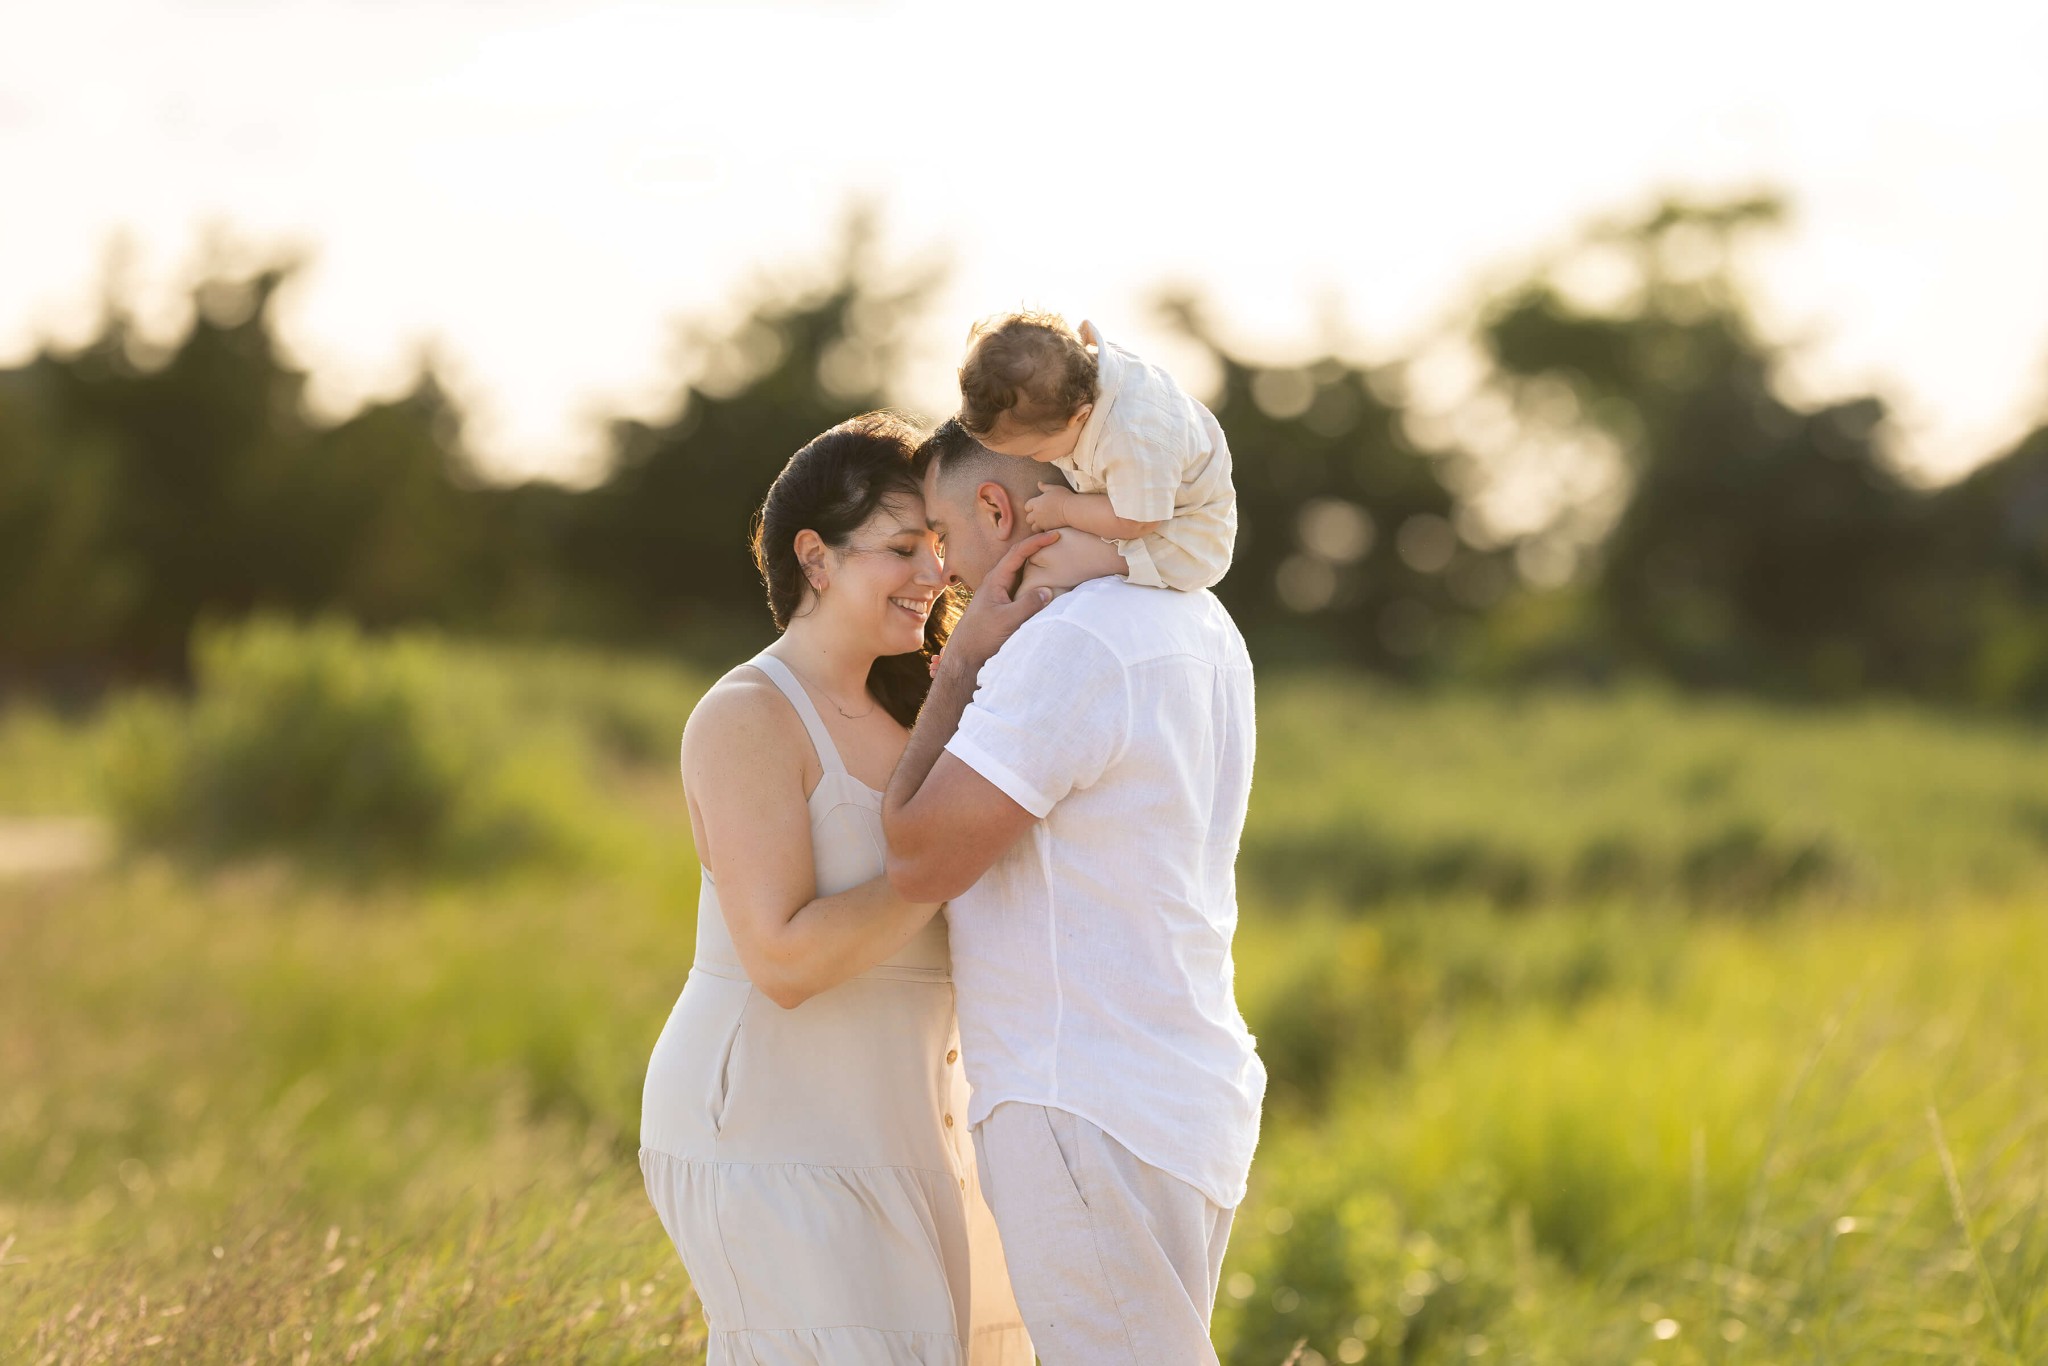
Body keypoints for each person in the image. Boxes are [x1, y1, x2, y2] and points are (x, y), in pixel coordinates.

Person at [639, 413, 1031, 1365]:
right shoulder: (747, 715)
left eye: (939, 548)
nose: (936, 575)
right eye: (903, 548)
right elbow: (781, 958)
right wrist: (941, 861)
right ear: (814, 558)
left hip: (914, 1127)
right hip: (778, 1131)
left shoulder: (923, 709)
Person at [883, 422, 1267, 1365]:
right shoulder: (1200, 620)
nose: (939, 562)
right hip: (1182, 1094)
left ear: (997, 509)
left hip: (1080, 1098)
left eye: (939, 528)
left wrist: (964, 659)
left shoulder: (1070, 644)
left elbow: (919, 858)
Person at [956, 311, 1237, 594]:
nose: (1033, 460)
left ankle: (1033, 632)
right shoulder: (1077, 369)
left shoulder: (1131, 437)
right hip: (1148, 509)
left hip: (1182, 539)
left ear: (1079, 417)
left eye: (1037, 451)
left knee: (1050, 559)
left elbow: (1138, 520)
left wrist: (1065, 508)